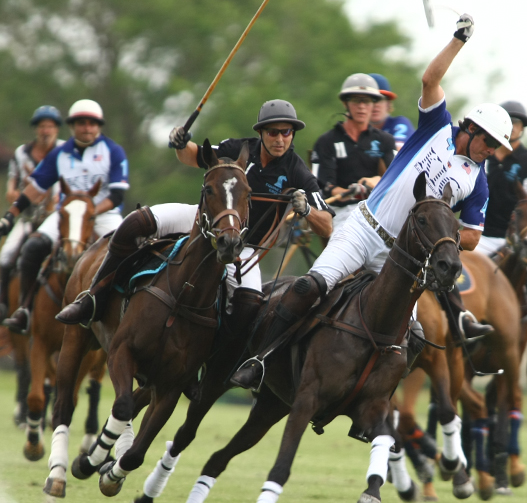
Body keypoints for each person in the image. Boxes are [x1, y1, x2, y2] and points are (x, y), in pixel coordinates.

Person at [230, 12, 510, 391]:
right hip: (363, 229)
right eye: (490, 141)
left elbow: (474, 236)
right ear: (472, 128)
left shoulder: (477, 182)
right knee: (310, 287)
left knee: (412, 335)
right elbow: (430, 80)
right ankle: (260, 360)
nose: (492, 150)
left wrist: (444, 233)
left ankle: (373, 399)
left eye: (497, 146)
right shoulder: (437, 127)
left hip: (401, 257)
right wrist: (458, 40)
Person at [56, 99, 333, 331]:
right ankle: (93, 297)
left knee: (249, 307)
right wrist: (181, 143)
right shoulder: (238, 148)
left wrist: (307, 210)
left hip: (244, 247)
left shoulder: (297, 171)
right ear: (261, 132)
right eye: (273, 132)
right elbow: (193, 156)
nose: (280, 139)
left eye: (286, 132)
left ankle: (218, 363)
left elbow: (327, 225)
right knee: (135, 222)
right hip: (203, 222)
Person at [0, 100, 128, 334]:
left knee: (128, 251)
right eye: (81, 123)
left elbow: (117, 195)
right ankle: (24, 310)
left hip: (103, 214)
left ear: (99, 126)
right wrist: (11, 215)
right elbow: (35, 188)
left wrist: (89, 211)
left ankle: (124, 312)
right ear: (72, 126)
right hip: (65, 215)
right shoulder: (59, 153)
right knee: (32, 247)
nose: (87, 128)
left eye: (92, 123)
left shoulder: (113, 151)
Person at [475, 101, 527, 388]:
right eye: (507, 121)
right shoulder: (482, 154)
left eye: (517, 123)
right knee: (453, 281)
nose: (511, 127)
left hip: (520, 243)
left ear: (523, 128)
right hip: (479, 238)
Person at [0, 106, 64, 319]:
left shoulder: (65, 150)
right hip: (29, 217)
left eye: (50, 126)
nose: (46, 131)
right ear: (36, 129)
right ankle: (4, 303)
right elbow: (12, 183)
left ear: (56, 129)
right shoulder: (22, 153)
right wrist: (14, 193)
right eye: (42, 126)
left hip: (56, 218)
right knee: (6, 255)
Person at [310, 74, 396, 232]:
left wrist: (376, 180)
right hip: (342, 213)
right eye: (356, 100)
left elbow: (397, 178)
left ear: (373, 104)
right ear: (345, 103)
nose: (362, 106)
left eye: (367, 101)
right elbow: (325, 187)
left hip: (377, 212)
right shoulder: (326, 142)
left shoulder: (385, 140)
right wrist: (351, 192)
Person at [369, 73, 415, 150]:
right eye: (369, 100)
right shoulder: (353, 130)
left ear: (388, 103)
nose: (375, 105)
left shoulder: (399, 124)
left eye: (379, 99)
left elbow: (399, 152)